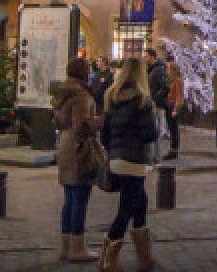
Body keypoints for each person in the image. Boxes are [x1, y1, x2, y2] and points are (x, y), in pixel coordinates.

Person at [98, 57, 158, 272]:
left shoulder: (111, 97)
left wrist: (113, 150)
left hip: (116, 159)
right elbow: (149, 134)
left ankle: (145, 258)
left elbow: (104, 133)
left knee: (140, 203)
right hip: (134, 161)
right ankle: (108, 261)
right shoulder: (142, 101)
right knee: (126, 209)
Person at [52, 57, 103, 262]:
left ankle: (66, 247)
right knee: (80, 199)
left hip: (64, 145)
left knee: (69, 199)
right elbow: (83, 126)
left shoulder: (61, 94)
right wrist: (101, 120)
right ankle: (77, 248)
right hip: (79, 149)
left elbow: (58, 121)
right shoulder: (81, 96)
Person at [145, 48, 169, 141]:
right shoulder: (151, 69)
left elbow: (165, 86)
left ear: (152, 57)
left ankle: (158, 153)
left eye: (146, 56)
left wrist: (155, 97)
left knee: (158, 128)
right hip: (153, 101)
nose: (145, 58)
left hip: (157, 103)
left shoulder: (158, 69)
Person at [162, 61, 184, 161]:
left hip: (173, 106)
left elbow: (179, 97)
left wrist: (175, 109)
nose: (167, 70)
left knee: (174, 129)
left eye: (168, 69)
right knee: (171, 129)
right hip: (169, 105)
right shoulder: (172, 80)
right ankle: (173, 149)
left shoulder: (178, 81)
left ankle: (174, 150)